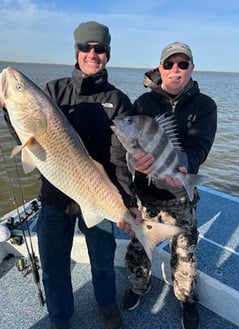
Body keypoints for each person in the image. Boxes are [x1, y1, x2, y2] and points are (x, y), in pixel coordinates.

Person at [2, 21, 139, 329]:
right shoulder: (53, 91)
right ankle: (60, 319)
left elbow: (119, 158)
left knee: (103, 262)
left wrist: (127, 203)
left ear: (107, 54)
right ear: (76, 51)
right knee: (53, 266)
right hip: (54, 196)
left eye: (99, 49)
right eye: (85, 48)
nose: (92, 54)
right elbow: (27, 138)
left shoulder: (119, 101)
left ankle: (107, 307)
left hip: (97, 194)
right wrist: (9, 108)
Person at [118, 42, 217, 329]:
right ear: (160, 68)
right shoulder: (144, 104)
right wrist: (136, 164)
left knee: (185, 254)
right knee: (139, 249)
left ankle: (186, 299)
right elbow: (130, 149)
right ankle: (138, 287)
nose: (176, 70)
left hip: (180, 196)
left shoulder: (205, 105)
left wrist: (184, 167)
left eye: (183, 64)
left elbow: (201, 146)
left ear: (191, 69)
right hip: (146, 197)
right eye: (170, 64)